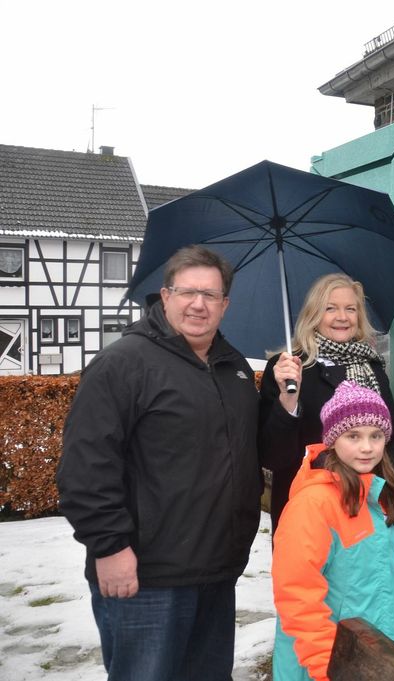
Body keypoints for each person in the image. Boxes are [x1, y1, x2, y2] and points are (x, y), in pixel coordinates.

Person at [57, 245, 261, 680]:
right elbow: (85, 466)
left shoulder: (235, 368)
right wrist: (109, 547)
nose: (198, 304)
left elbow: (251, 452)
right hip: (147, 577)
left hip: (217, 572)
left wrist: (285, 404)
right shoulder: (124, 363)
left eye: (211, 295)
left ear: (225, 304)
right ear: (165, 296)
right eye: (187, 291)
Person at [272, 381, 394, 680]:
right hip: (328, 666)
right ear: (333, 439)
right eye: (353, 436)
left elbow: (383, 590)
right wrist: (329, 668)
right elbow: (298, 596)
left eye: (376, 435)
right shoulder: (313, 503)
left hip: (374, 660)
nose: (367, 447)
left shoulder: (377, 496)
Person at [260, 273, 394, 529]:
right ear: (314, 314)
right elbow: (273, 456)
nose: (342, 317)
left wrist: (371, 478)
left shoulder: (372, 367)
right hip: (308, 513)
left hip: (367, 506)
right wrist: (288, 401)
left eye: (350, 309)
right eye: (330, 308)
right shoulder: (287, 369)